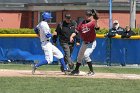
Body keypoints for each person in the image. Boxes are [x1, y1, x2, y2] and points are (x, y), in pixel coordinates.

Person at [69, 10, 100, 76]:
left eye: (89, 15)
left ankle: (91, 71)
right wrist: (71, 36)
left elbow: (97, 28)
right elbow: (76, 31)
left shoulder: (93, 22)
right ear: (85, 15)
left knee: (86, 55)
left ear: (91, 16)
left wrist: (96, 20)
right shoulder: (82, 23)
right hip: (84, 42)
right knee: (79, 56)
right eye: (87, 15)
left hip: (92, 43)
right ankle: (76, 70)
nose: (88, 16)